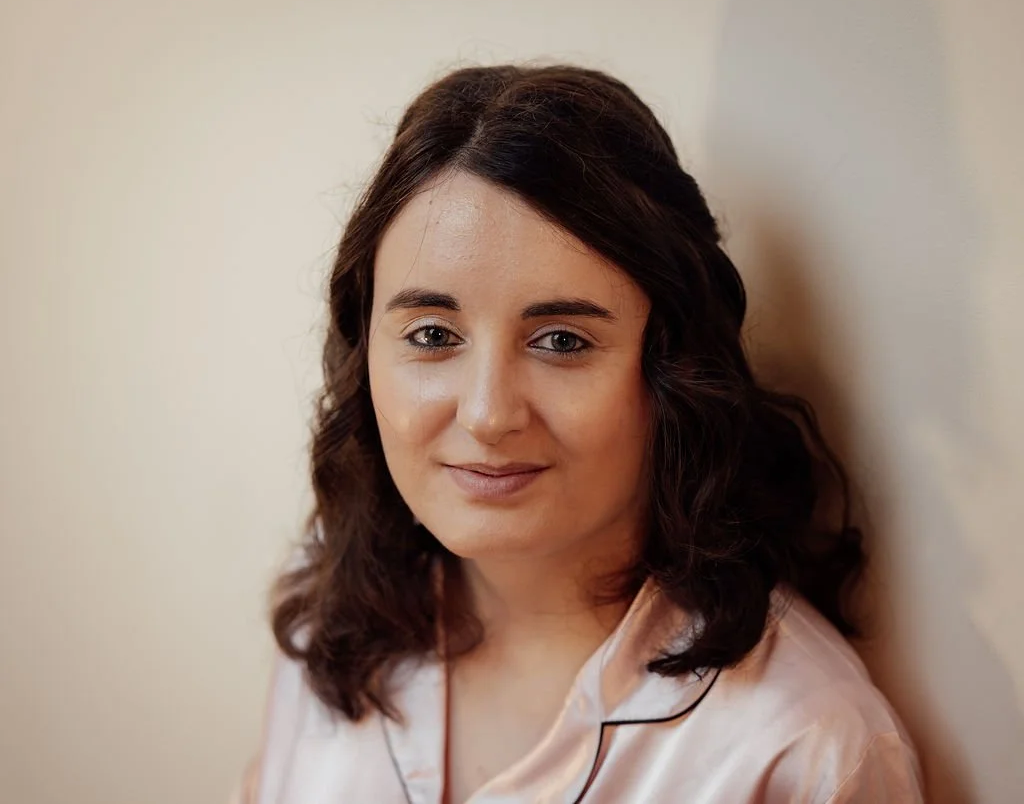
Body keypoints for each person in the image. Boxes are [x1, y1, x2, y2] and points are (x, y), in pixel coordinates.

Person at [235, 64, 924, 803]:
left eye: (561, 341)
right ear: (365, 351)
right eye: (433, 334)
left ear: (671, 369)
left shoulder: (801, 748)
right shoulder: (329, 625)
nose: (487, 413)